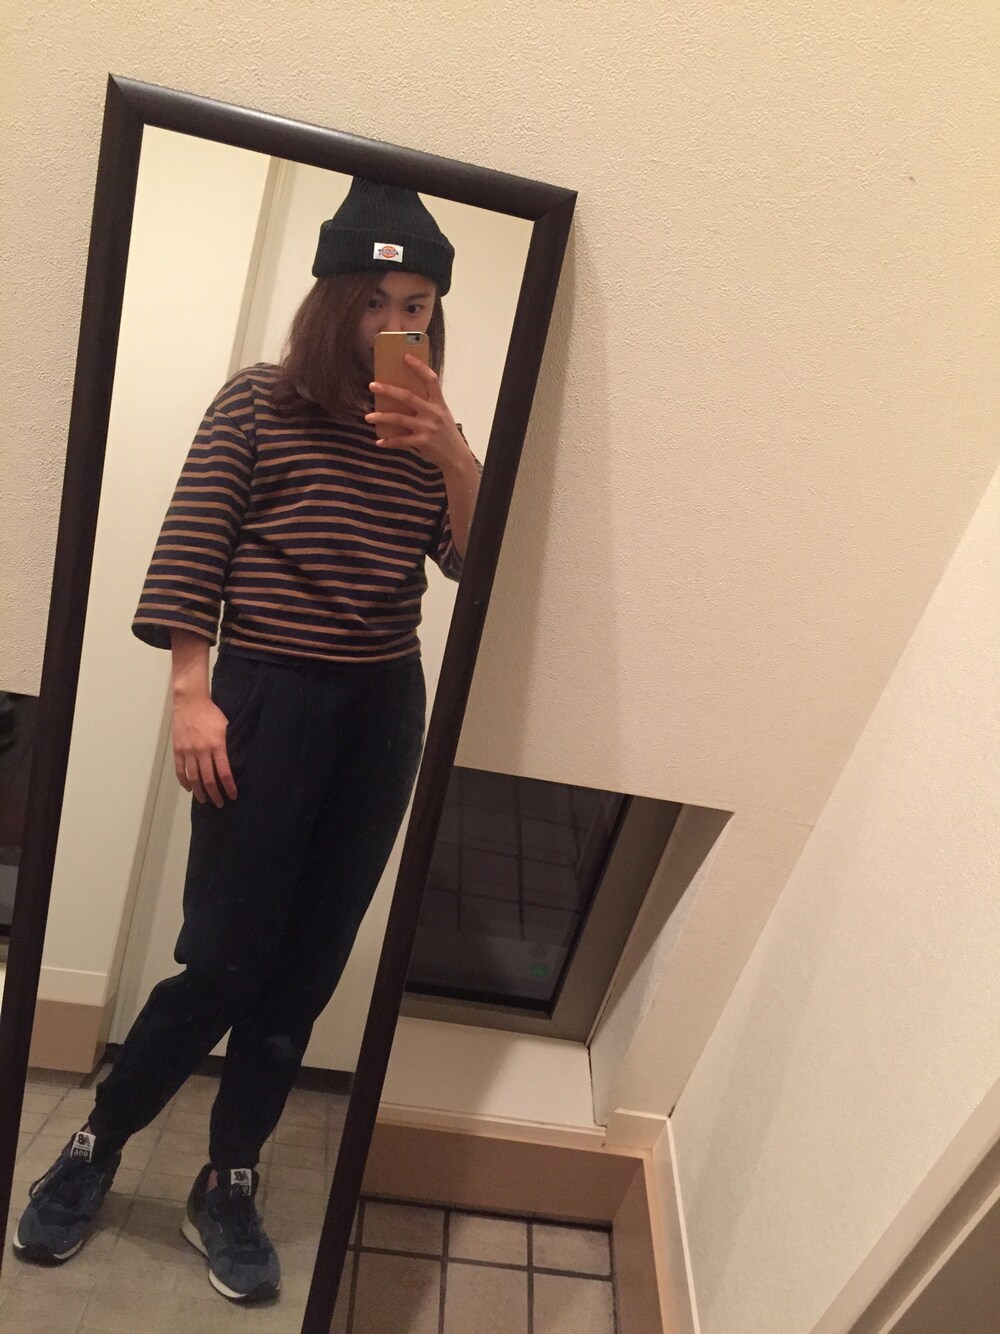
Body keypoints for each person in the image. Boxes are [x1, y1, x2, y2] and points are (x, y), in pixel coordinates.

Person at [13, 179, 481, 1302]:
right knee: (224, 954)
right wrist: (192, 690)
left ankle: (228, 1176)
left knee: (306, 967)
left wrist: (454, 454)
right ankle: (99, 1140)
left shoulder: (431, 432)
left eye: (416, 305)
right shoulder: (258, 402)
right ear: (333, 301)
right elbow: (195, 540)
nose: (395, 323)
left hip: (382, 709)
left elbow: (477, 562)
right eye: (375, 301)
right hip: (265, 697)